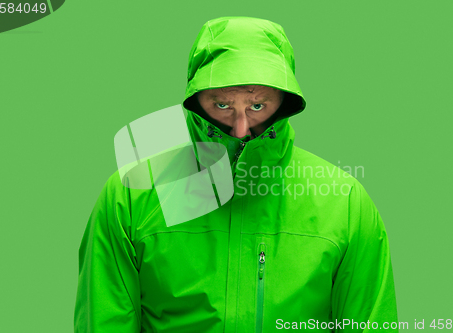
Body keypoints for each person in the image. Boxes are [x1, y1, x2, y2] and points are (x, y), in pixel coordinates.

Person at [74, 16, 399, 332]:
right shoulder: (132, 195)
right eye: (222, 105)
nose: (241, 127)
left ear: (283, 102)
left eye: (257, 106)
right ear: (196, 100)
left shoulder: (345, 204)